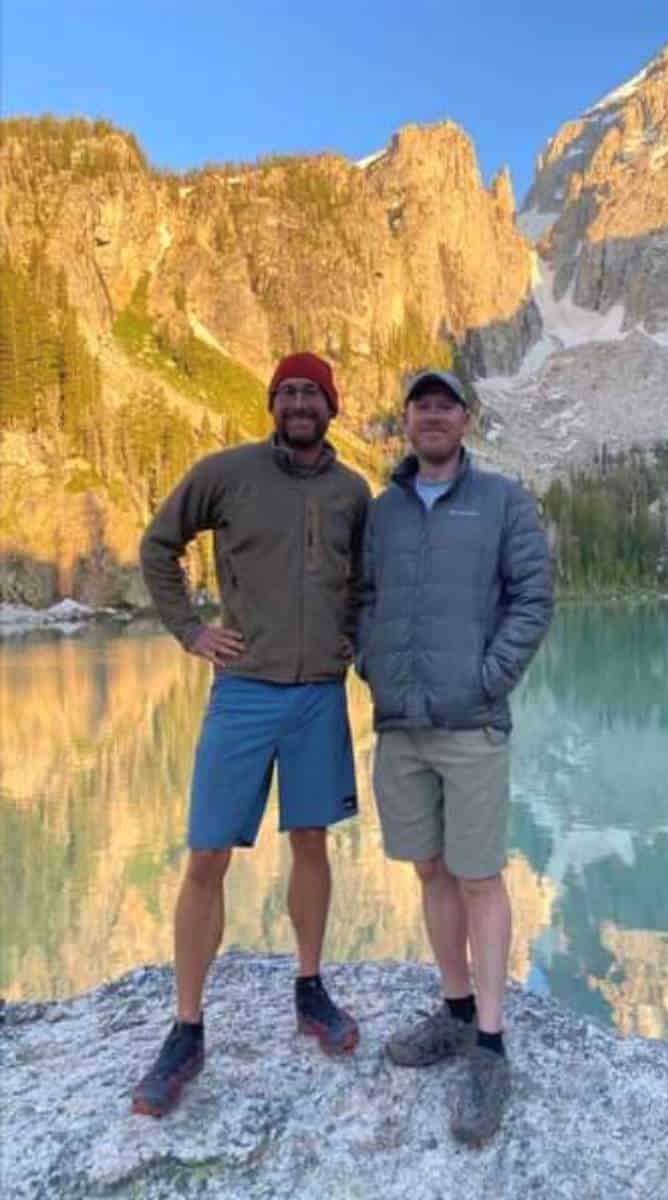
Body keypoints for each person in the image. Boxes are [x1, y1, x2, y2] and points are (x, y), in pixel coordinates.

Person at [133, 351, 371, 1117]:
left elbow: (366, 581)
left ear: (332, 408)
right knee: (207, 853)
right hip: (242, 692)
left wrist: (356, 634)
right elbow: (157, 547)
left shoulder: (351, 491)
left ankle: (310, 990)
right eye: (288, 391)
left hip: (318, 698)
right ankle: (186, 1029)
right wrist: (190, 630)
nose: (300, 402)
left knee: (312, 840)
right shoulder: (228, 473)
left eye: (313, 392)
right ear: (273, 403)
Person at [356, 368, 553, 1144]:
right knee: (430, 869)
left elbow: (533, 597)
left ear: (466, 420)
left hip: (471, 725)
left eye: (446, 406)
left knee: (478, 875)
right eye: (420, 406)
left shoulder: (501, 501)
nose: (432, 417)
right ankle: (455, 1008)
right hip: (401, 725)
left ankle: (492, 1045)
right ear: (405, 421)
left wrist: (488, 676)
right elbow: (363, 598)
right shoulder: (384, 513)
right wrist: (372, 660)